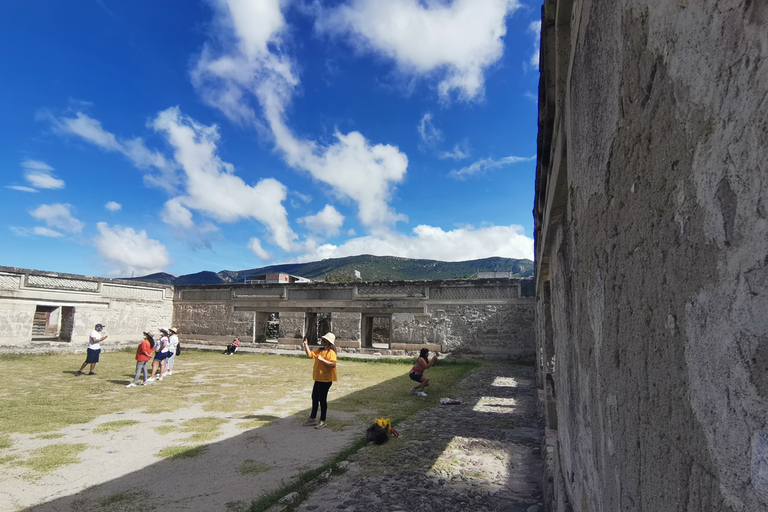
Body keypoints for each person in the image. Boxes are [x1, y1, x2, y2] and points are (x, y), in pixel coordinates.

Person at [302, 333, 338, 429]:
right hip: (318, 378)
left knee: (322, 400)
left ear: (329, 343)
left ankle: (323, 420)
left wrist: (322, 360)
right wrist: (306, 344)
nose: (322, 342)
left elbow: (333, 364)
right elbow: (310, 354)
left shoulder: (331, 353)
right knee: (314, 397)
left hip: (326, 380)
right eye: (322, 340)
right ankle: (312, 418)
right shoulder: (320, 351)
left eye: (324, 341)